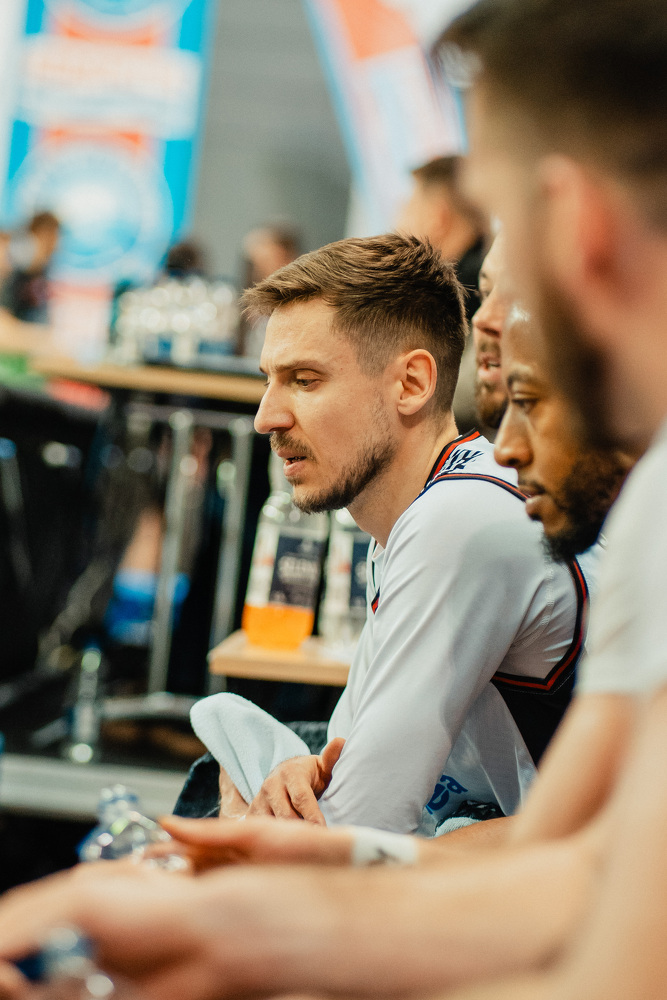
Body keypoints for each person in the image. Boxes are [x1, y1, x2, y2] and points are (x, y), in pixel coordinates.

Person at [192, 232, 585, 837]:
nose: (266, 417)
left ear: (412, 384)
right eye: (269, 379)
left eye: (304, 380)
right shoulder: (423, 509)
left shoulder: (457, 519)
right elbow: (344, 765)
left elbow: (357, 826)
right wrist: (301, 774)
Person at [397, 156, 488, 430]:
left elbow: (461, 397)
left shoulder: (451, 297)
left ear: (438, 218)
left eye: (408, 208)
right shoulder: (482, 280)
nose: (398, 222)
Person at [0, 211, 60, 324]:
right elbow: (4, 317)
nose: (56, 243)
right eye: (51, 236)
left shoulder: (45, 268)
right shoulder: (15, 269)